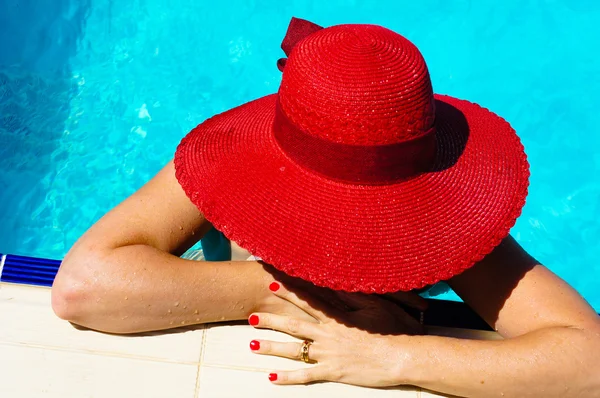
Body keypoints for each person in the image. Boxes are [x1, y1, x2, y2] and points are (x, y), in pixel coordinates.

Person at [51, 18, 600, 397]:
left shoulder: (442, 212)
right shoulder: (231, 166)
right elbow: (83, 285)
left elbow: (590, 363)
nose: (348, 229)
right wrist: (288, 295)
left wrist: (393, 358)